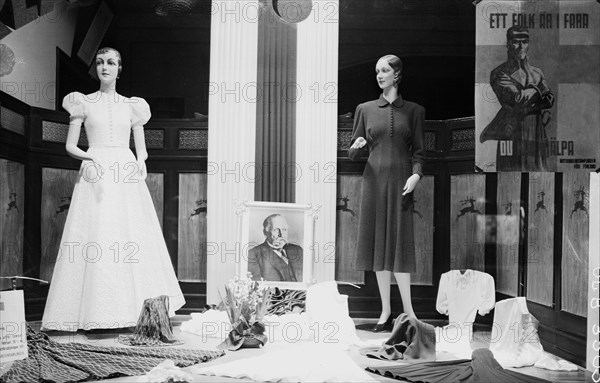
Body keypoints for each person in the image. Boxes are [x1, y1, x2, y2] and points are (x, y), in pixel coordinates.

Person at [41, 47, 185, 331]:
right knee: (96, 235)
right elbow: (71, 145)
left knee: (130, 234)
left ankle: (135, 312)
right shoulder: (82, 103)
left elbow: (141, 149)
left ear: (120, 68)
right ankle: (92, 312)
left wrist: (141, 161)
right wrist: (89, 157)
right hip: (96, 169)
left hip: (125, 169)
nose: (105, 67)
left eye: (111, 63)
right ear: (95, 68)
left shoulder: (133, 106)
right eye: (100, 62)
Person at [349, 54, 425, 331]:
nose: (379, 75)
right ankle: (385, 312)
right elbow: (353, 153)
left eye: (384, 71)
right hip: (373, 183)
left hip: (402, 184)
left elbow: (419, 152)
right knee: (380, 246)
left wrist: (416, 174)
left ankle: (409, 313)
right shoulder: (364, 109)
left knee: (400, 246)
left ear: (397, 74)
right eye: (377, 71)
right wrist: (357, 146)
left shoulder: (415, 111)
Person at [480, 25, 555, 171]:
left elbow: (550, 99)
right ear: (508, 44)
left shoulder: (537, 72)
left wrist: (533, 97)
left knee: (539, 173)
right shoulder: (499, 73)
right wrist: (538, 90)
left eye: (525, 41)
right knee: (510, 175)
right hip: (512, 133)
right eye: (516, 41)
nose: (521, 46)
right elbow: (517, 99)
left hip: (536, 131)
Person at [248, 214, 303, 282]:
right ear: (265, 232)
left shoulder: (298, 250)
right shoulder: (253, 254)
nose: (281, 234)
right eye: (276, 230)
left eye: (284, 229)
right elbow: (257, 287)